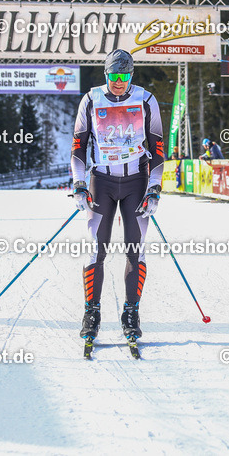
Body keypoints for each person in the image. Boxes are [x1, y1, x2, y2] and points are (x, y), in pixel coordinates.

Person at [71, 49, 164, 343]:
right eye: (113, 76)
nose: (118, 82)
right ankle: (92, 312)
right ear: (106, 74)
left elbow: (158, 148)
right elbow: (78, 146)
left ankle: (131, 313)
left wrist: (154, 187)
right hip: (102, 182)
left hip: (136, 182)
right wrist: (78, 183)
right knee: (95, 250)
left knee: (135, 251)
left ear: (131, 75)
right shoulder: (90, 100)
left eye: (124, 76)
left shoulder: (146, 100)